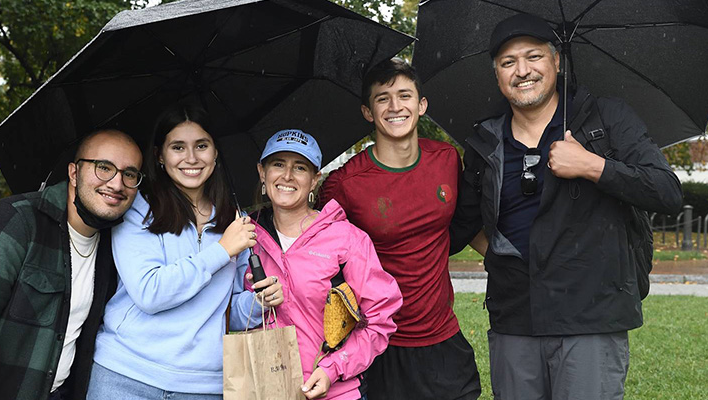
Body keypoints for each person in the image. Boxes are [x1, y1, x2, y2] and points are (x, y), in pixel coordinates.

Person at [449, 13, 683, 400]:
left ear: (557, 61)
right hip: (515, 321)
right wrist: (508, 256)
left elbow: (666, 191)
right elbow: (460, 225)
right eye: (508, 63)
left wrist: (593, 166)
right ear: (497, 75)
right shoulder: (485, 142)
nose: (522, 71)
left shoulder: (606, 119)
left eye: (533, 57)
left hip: (590, 318)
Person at [0, 129, 143, 400]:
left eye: (129, 174)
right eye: (104, 167)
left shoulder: (112, 248)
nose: (117, 184)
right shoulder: (13, 222)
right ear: (73, 173)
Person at [86, 104, 282, 400]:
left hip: (203, 387)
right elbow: (150, 293)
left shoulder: (233, 221)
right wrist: (221, 251)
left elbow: (226, 313)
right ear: (160, 155)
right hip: (126, 376)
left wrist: (259, 303)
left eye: (201, 146)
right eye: (178, 147)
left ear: (216, 153)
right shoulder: (139, 207)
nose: (191, 158)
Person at [318, 58, 482, 400]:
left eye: (405, 95)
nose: (395, 107)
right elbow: (317, 256)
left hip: (443, 339)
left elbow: (464, 230)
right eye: (383, 98)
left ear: (421, 105)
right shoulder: (345, 184)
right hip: (381, 343)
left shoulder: (448, 159)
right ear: (367, 111)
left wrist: (516, 264)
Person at [251, 129, 402, 400]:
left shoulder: (346, 239)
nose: (287, 176)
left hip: (334, 392)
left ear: (314, 180)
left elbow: (380, 320)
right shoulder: (244, 237)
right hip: (266, 388)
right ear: (262, 173)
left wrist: (333, 368)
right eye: (278, 164)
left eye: (299, 167)